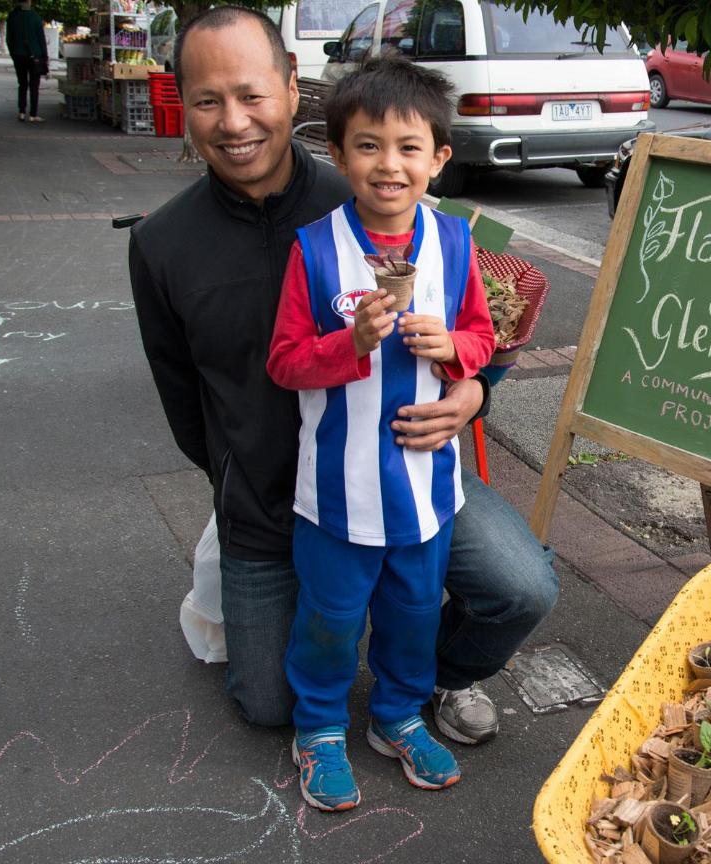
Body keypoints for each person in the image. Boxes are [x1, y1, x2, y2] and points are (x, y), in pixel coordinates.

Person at [127, 5, 556, 755]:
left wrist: (472, 392)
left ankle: (433, 678)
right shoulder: (163, 243)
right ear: (184, 105)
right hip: (269, 498)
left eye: (252, 94)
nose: (234, 121)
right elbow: (182, 398)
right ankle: (327, 663)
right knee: (269, 704)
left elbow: (481, 327)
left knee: (521, 588)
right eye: (208, 100)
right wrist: (234, 480)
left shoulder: (376, 191)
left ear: (293, 89)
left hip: (407, 464)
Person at [265, 59, 497, 810]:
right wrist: (352, 343)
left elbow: (483, 338)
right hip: (338, 492)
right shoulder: (314, 249)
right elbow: (285, 363)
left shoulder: (455, 243)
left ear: (439, 158)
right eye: (368, 145)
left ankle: (397, 715)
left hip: (426, 491)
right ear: (338, 154)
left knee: (413, 615)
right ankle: (320, 726)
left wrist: (454, 349)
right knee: (330, 620)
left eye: (408, 147)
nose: (388, 164)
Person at [5, 0, 47, 122]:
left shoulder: (13, 16)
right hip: (35, 55)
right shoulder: (35, 17)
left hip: (18, 55)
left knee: (22, 84)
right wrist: (45, 57)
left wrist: (13, 53)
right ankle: (33, 114)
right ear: (29, 2)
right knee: (34, 85)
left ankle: (22, 111)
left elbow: (9, 38)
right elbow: (41, 39)